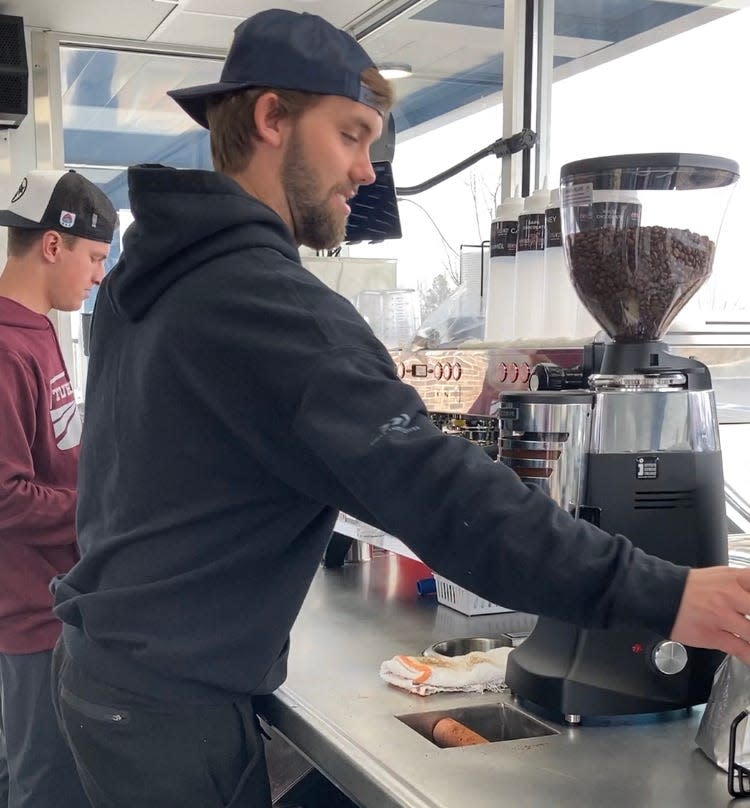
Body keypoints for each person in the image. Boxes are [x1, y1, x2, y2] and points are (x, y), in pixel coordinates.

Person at [49, 8, 750, 808]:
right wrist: (668, 593)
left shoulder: (157, 271)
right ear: (272, 117)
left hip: (111, 669)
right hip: (170, 704)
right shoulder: (266, 304)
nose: (368, 172)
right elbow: (448, 497)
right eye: (351, 135)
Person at [0, 168, 116, 807]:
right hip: (29, 617)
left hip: (60, 600)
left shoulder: (40, 328)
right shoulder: (5, 348)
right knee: (43, 790)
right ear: (53, 245)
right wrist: (101, 511)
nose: (99, 275)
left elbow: (56, 446)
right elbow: (6, 496)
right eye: (95, 257)